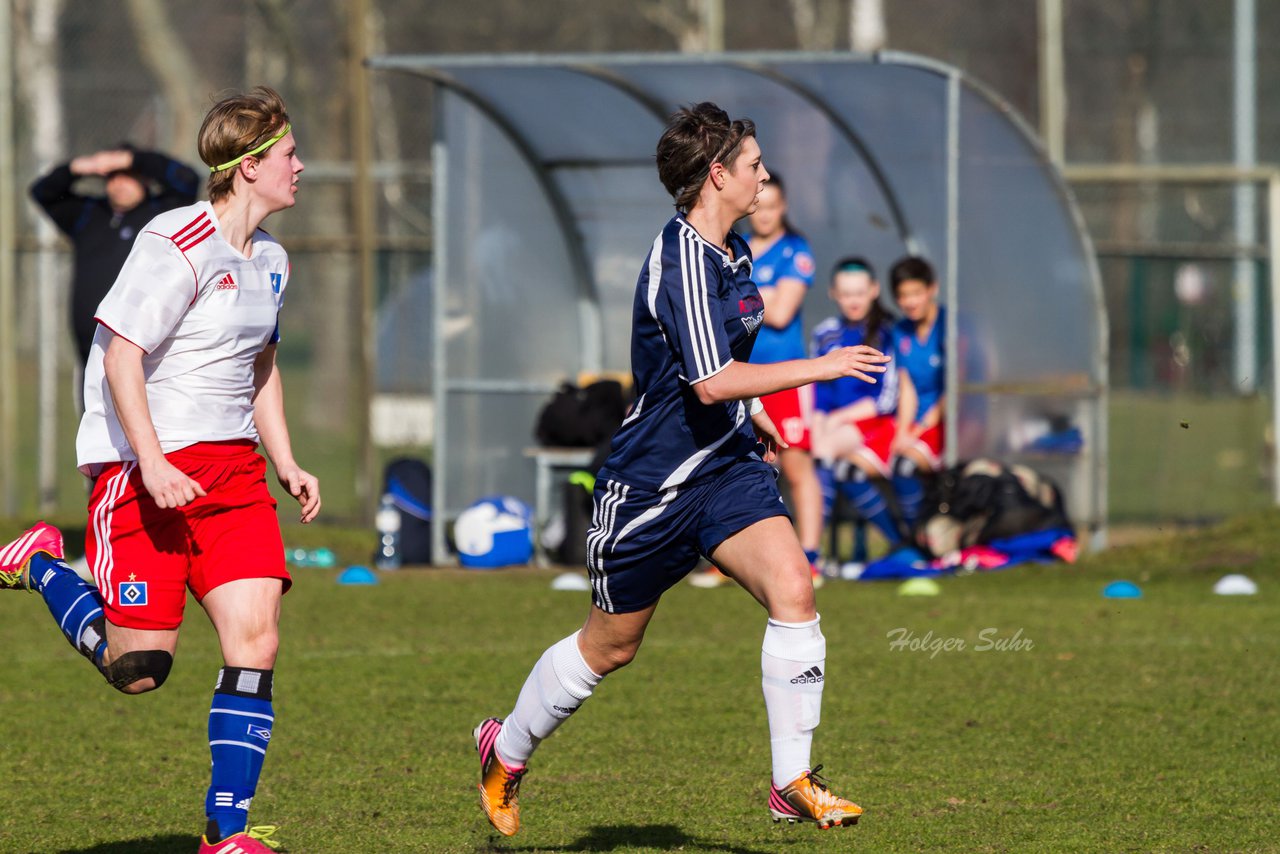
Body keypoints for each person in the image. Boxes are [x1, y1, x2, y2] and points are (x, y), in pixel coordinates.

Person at [473, 102, 886, 837]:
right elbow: (709, 382)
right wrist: (818, 368)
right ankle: (504, 750)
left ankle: (790, 780)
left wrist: (752, 420)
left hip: (724, 471)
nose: (764, 174)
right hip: (651, 490)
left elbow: (727, 374)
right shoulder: (684, 261)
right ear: (717, 175)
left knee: (794, 586)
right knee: (611, 647)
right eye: (753, 164)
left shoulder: (734, 252)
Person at [0, 86, 317, 854]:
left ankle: (226, 834)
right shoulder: (176, 240)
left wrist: (285, 459)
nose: (300, 167)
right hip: (144, 472)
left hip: (233, 477)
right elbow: (121, 358)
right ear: (248, 170)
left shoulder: (270, 259)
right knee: (137, 666)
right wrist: (152, 462)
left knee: (257, 640)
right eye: (287, 156)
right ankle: (42, 563)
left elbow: (260, 365)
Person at [693, 175, 823, 586]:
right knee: (738, 464)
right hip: (741, 377)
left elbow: (781, 313)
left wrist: (751, 291)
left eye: (773, 206)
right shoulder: (734, 249)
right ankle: (729, 558)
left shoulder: (796, 251)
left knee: (796, 467)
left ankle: (812, 555)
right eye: (760, 204)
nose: (765, 213)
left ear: (783, 208)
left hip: (784, 379)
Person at [30, 144, 199, 370]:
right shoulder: (89, 214)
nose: (119, 184)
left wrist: (131, 159)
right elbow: (43, 192)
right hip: (90, 348)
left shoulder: (160, 213)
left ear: (144, 179)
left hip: (143, 348)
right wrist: (78, 168)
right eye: (113, 177)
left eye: (128, 176)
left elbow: (188, 181)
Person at [810, 257, 906, 550]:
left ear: (874, 290)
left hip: (876, 424)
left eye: (860, 293)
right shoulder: (824, 333)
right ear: (833, 293)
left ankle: (811, 551)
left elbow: (888, 399)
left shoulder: (889, 332)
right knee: (812, 452)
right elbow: (819, 386)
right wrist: (818, 419)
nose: (853, 301)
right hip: (836, 424)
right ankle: (817, 550)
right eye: (846, 294)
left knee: (823, 449)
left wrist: (837, 419)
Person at [888, 256, 945, 529]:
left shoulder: (950, 324)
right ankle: (908, 539)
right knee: (850, 467)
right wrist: (902, 430)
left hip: (948, 422)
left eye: (916, 293)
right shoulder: (901, 331)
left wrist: (922, 427)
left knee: (905, 467)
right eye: (903, 295)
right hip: (918, 422)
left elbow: (959, 385)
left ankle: (920, 537)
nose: (910, 302)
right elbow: (906, 385)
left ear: (932, 289)